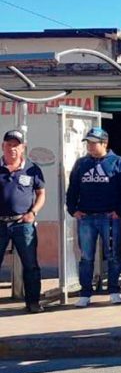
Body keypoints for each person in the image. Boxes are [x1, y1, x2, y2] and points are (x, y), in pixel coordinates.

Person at [66, 127, 121, 308]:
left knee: (113, 256)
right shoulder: (81, 163)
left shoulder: (117, 162)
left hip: (109, 217)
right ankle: (85, 293)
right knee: (86, 256)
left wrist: (120, 211)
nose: (90, 146)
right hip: (86, 217)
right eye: (88, 143)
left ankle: (114, 291)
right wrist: (73, 210)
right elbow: (73, 189)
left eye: (94, 143)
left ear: (105, 143)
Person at [0, 130, 45, 313]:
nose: (12, 149)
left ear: (23, 147)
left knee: (31, 265)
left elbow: (41, 193)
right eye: (9, 144)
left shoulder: (32, 169)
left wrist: (33, 212)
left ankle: (33, 303)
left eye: (16, 145)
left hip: (23, 223)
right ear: (3, 146)